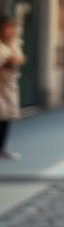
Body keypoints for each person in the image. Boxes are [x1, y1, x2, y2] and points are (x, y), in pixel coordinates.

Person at [0, 14, 25, 160]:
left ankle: (2, 148)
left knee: (6, 118)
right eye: (8, 27)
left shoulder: (12, 42)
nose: (11, 30)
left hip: (8, 87)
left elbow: (19, 58)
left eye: (12, 27)